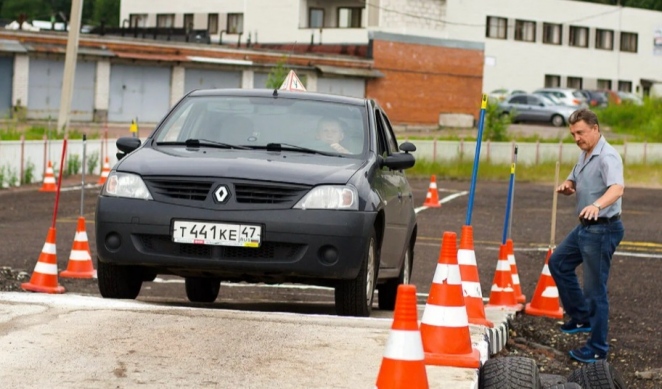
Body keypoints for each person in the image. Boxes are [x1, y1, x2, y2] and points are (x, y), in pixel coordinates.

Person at [548, 108, 625, 363]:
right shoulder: (585, 154)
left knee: (595, 290)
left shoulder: (608, 156)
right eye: (573, 134)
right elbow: (574, 178)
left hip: (603, 228)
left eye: (580, 132)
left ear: (595, 128)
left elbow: (617, 188)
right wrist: (568, 186)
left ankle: (598, 347)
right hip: (586, 227)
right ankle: (581, 316)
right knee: (558, 262)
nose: (576, 138)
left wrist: (597, 205)